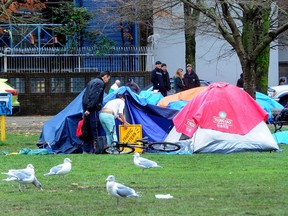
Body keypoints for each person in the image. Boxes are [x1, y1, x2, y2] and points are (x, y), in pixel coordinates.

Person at [82, 70, 111, 153]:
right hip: (93, 110)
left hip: (86, 108)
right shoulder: (100, 83)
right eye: (108, 79)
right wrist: (89, 109)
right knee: (95, 129)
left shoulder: (92, 81)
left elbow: (85, 96)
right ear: (105, 76)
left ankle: (86, 149)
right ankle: (97, 149)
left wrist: (85, 109)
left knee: (86, 129)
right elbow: (94, 96)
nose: (107, 81)